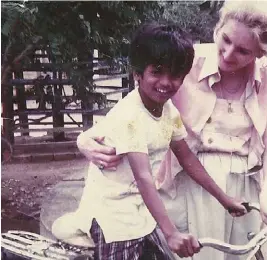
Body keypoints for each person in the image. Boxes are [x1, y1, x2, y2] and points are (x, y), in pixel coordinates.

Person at [76, 1, 267, 259]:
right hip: (182, 188)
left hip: (241, 187)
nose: (228, 54)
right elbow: (133, 113)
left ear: (260, 53)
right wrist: (84, 139)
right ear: (219, 26)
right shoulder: (182, 59)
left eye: (243, 51)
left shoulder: (266, 77)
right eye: (226, 39)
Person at [53, 23, 247, 260]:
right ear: (137, 73)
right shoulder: (130, 117)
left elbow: (186, 157)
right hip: (114, 218)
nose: (166, 82)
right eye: (157, 71)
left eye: (175, 75)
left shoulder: (168, 111)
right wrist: (172, 233)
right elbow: (144, 177)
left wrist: (225, 199)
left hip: (141, 213)